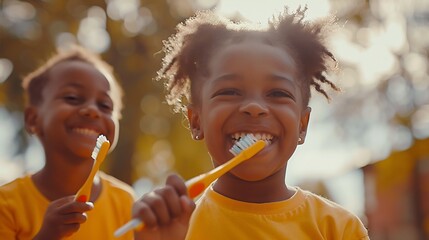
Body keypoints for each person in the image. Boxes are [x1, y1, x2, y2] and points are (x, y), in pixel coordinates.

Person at [132, 6, 370, 240]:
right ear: (196, 121)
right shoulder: (171, 229)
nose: (254, 107)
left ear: (302, 124)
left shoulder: (339, 229)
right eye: (230, 91)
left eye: (277, 93)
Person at [0, 46, 135, 239]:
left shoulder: (125, 202)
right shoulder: (6, 204)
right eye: (72, 98)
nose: (91, 110)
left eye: (104, 105)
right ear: (33, 119)